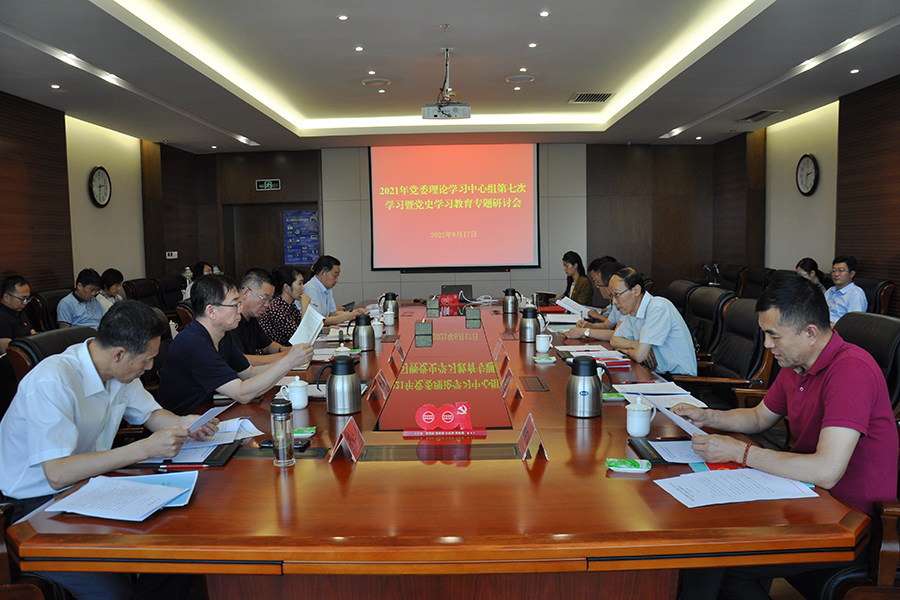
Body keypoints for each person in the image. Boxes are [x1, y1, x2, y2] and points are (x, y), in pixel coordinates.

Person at [674, 274, 897, 600]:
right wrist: (708, 416)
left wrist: (740, 452)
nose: (767, 345)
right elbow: (759, 417)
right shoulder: (796, 363)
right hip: (804, 500)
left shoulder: (852, 370)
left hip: (850, 521)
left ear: (810, 333)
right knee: (707, 540)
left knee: (716, 559)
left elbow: (827, 471)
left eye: (773, 335)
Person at [0, 300, 219, 600]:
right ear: (119, 354)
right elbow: (57, 473)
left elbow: (150, 414)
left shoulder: (119, 371)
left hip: (86, 491)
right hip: (32, 509)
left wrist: (183, 423)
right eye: (146, 360)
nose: (150, 367)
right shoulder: (53, 380)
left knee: (180, 549)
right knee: (113, 593)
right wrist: (144, 448)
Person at [157, 274, 313, 416]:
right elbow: (241, 393)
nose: (240, 310)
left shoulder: (222, 335)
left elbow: (249, 373)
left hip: (209, 413)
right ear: (211, 311)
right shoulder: (194, 343)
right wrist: (288, 361)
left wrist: (289, 361)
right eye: (235, 305)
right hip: (185, 425)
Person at [609, 268, 697, 375]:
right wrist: (635, 344)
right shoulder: (632, 313)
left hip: (678, 379)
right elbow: (614, 340)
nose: (614, 301)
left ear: (636, 290)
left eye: (617, 294)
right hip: (654, 373)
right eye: (611, 295)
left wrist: (627, 350)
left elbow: (640, 356)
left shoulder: (658, 307)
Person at [230, 268, 289, 365]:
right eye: (264, 299)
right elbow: (241, 360)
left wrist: (285, 350)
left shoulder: (252, 318)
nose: (267, 305)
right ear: (246, 293)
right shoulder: (231, 320)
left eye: (270, 300)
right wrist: (285, 356)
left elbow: (267, 346)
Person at [563, 260, 625, 342]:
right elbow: (606, 326)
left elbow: (616, 335)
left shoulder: (625, 303)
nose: (597, 286)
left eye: (598, 283)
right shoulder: (616, 302)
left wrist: (585, 332)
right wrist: (588, 326)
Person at [306, 255, 365, 326]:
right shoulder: (311, 289)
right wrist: (349, 316)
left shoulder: (327, 288)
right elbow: (318, 320)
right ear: (323, 273)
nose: (337, 280)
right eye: (335, 276)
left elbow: (333, 313)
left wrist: (354, 312)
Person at [260, 265, 309, 346]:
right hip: (274, 352)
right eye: (299, 283)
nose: (303, 288)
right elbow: (301, 338)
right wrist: (304, 307)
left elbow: (305, 330)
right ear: (286, 287)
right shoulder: (276, 309)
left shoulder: (291, 305)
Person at [824, 255, 867, 325]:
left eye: (840, 271)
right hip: (822, 325)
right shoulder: (830, 290)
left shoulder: (856, 294)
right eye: (834, 271)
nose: (836, 274)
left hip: (838, 329)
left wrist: (826, 327)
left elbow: (854, 323)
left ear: (852, 274)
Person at [0, 275, 36, 354]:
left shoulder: (18, 310)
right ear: (6, 297)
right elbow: (5, 349)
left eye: (27, 299)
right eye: (22, 299)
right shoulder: (2, 316)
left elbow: (33, 333)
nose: (25, 303)